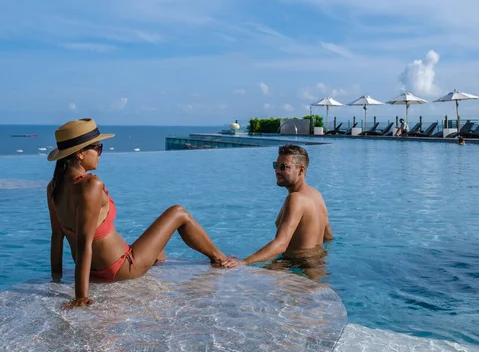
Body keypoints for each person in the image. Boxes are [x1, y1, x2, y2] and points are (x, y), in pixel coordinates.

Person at [47, 118, 228, 309]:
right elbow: (85, 242)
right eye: (98, 148)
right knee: (178, 212)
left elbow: (57, 236)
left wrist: (56, 279)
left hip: (94, 271)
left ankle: (163, 261)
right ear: (80, 153)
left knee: (160, 252)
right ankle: (221, 259)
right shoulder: (90, 185)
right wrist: (81, 296)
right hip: (119, 268)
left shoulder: (54, 187)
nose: (100, 154)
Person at [222, 144, 333, 271]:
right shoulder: (316, 195)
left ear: (301, 170)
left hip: (296, 265)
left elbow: (281, 244)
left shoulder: (295, 199)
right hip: (315, 263)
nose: (277, 171)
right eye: (276, 165)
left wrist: (243, 262)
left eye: (283, 167)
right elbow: (328, 236)